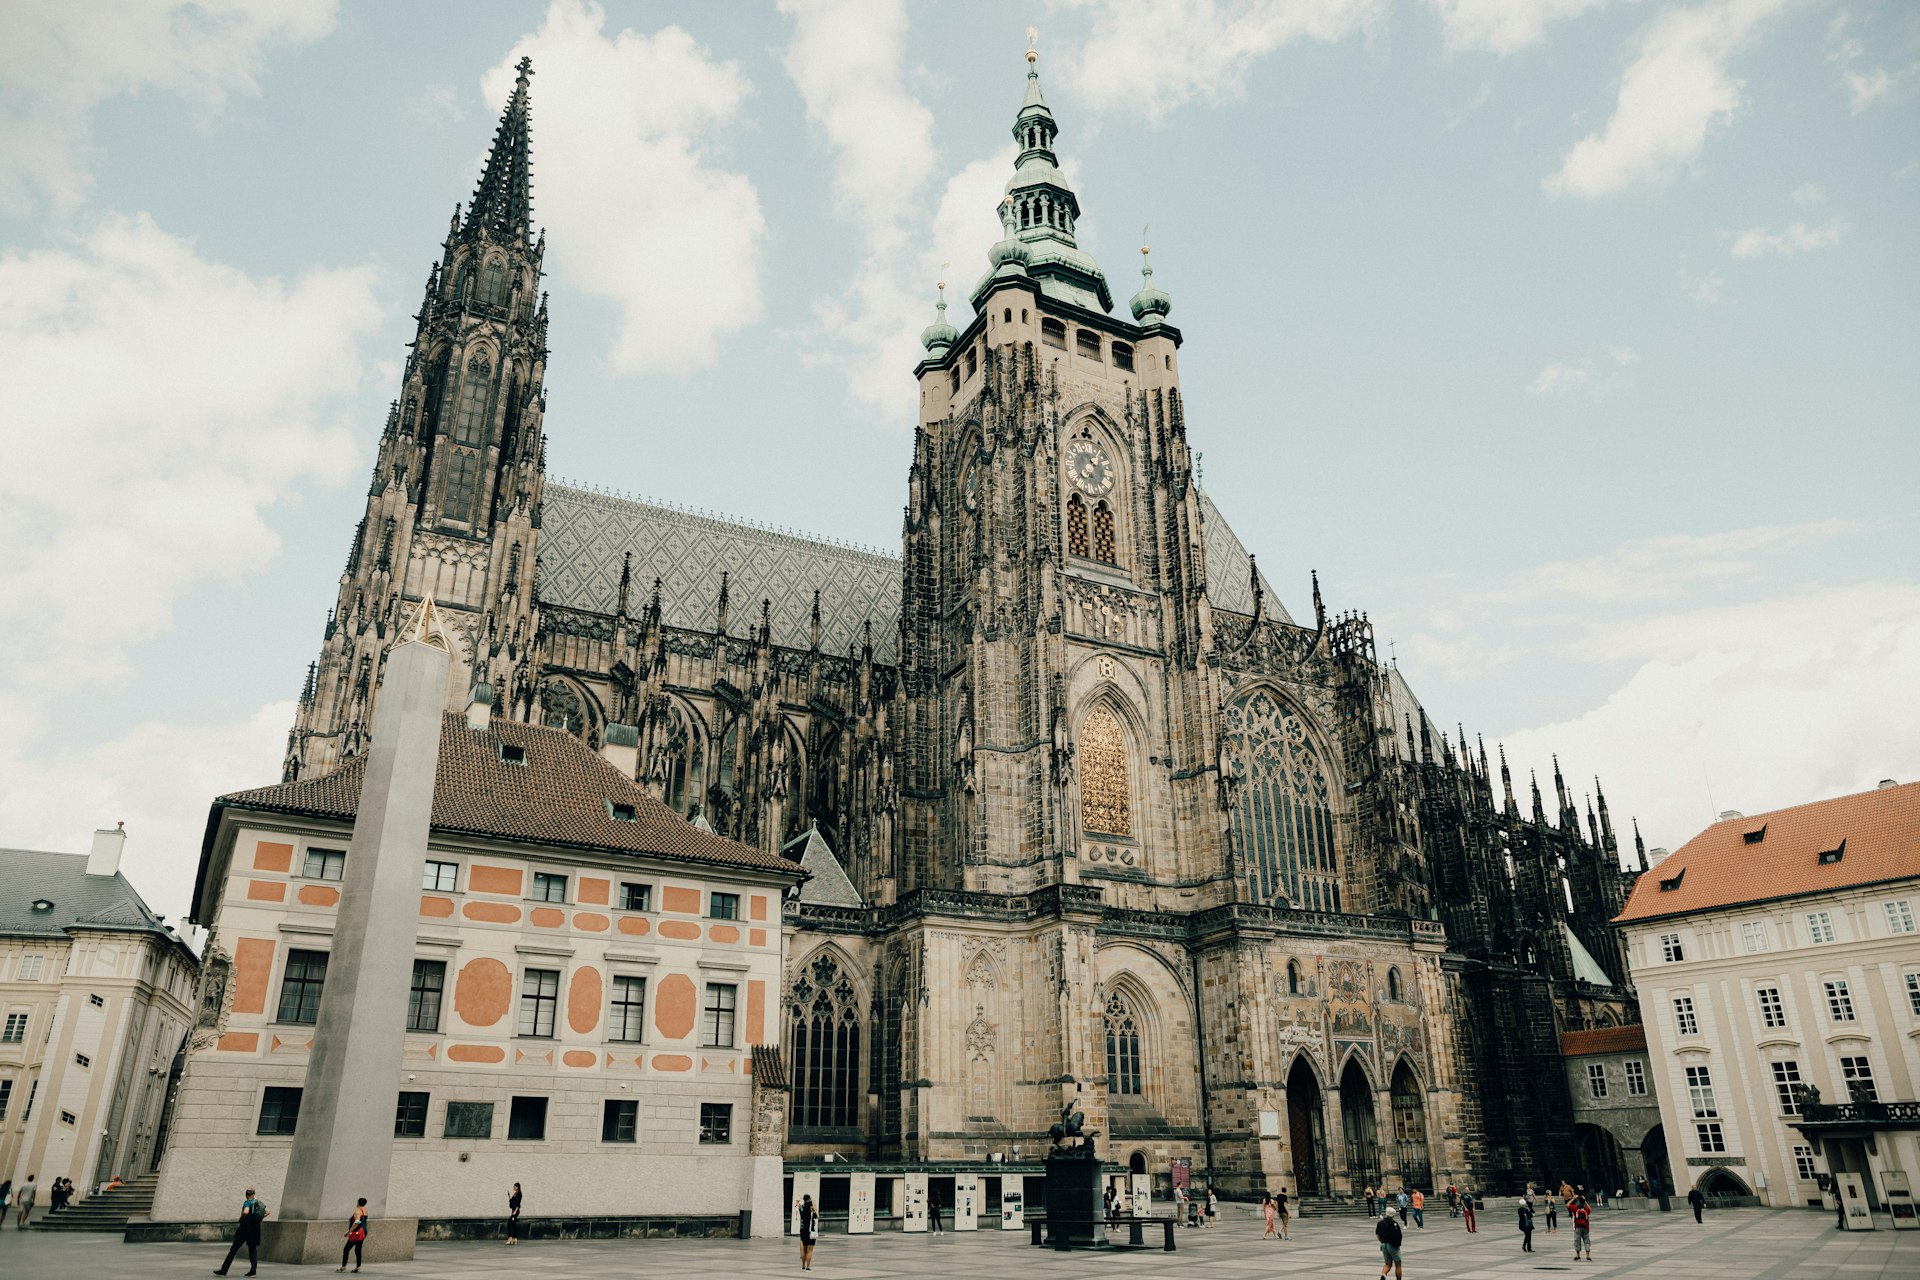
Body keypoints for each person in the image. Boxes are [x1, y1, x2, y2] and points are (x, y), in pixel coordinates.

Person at [214, 1187, 268, 1276]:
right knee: (252, 1250)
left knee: (234, 1249)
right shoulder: (259, 1202)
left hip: (245, 1229)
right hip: (255, 1229)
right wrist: (258, 1218)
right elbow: (268, 1212)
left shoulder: (247, 1202)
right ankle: (253, 1271)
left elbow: (246, 1212)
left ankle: (224, 1270)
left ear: (246, 1195)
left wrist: (241, 1218)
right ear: (254, 1194)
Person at [339, 1197, 369, 1273]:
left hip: (356, 1233)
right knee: (358, 1249)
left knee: (346, 1249)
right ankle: (358, 1267)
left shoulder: (358, 1211)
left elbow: (357, 1222)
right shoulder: (365, 1210)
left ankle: (343, 1267)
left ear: (358, 1202)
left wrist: (349, 1232)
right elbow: (363, 1221)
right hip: (363, 1232)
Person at [1376, 1205, 1405, 1280]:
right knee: (1398, 1264)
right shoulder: (1394, 1224)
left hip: (1384, 1244)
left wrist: (1382, 1242)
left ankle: (1383, 1275)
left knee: (1387, 1264)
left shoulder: (1380, 1223)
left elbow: (1377, 1234)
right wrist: (1398, 1244)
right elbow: (1398, 1235)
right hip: (1392, 1245)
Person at [798, 1192, 818, 1271]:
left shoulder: (801, 1207)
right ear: (809, 1199)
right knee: (810, 1250)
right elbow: (817, 1216)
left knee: (804, 1250)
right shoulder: (811, 1208)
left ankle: (803, 1265)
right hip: (811, 1231)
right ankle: (808, 1267)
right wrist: (814, 1206)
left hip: (803, 1231)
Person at [1570, 1194, 1593, 1262]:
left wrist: (1573, 1199)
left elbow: (1568, 1205)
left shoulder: (1575, 1209)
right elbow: (1590, 1209)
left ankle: (1578, 1255)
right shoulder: (1586, 1210)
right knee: (1587, 1241)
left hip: (1578, 1227)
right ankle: (1587, 1255)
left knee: (1577, 1241)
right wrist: (1585, 1201)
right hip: (1586, 1227)